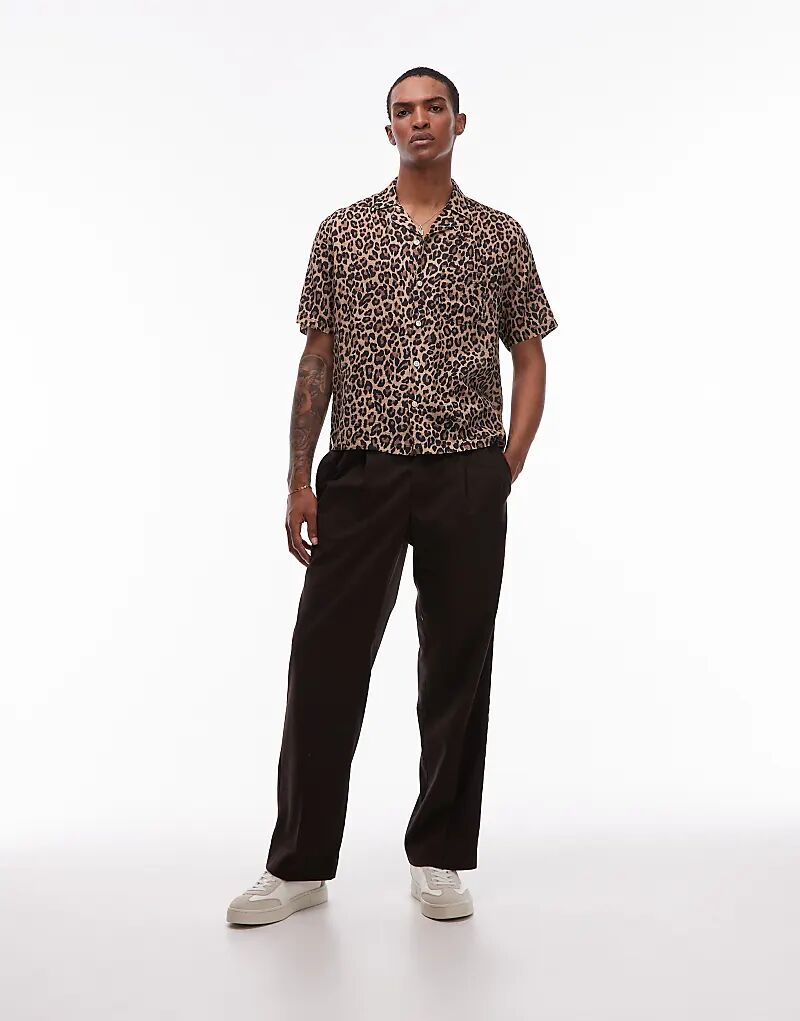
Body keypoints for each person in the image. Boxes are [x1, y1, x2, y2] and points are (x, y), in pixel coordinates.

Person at [226, 65, 558, 926]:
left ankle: (439, 855)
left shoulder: (499, 235)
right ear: (388, 132)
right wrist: (299, 476)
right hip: (362, 473)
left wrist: (507, 462)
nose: (420, 121)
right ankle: (298, 865)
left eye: (434, 108)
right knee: (323, 665)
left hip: (466, 473)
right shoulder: (343, 232)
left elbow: (529, 353)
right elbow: (318, 357)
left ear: (458, 123)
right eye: (404, 111)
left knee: (456, 665)